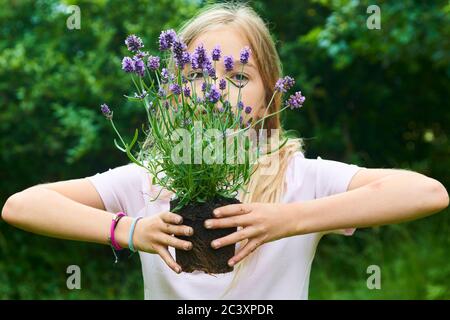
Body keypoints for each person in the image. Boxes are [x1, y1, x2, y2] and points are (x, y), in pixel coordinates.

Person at [1, 3, 448, 300]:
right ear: (173, 92)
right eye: (197, 75)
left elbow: (427, 193)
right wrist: (132, 230)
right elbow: (23, 205)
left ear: (270, 93)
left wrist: (285, 220)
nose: (214, 90)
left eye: (238, 78)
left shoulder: (298, 177)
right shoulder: (149, 178)